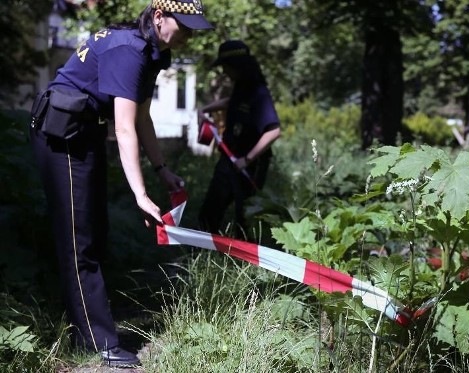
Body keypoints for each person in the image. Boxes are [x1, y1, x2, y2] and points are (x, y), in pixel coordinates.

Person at [29, 0, 213, 368]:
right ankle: (98, 343)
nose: (191, 33)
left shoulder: (154, 51)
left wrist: (160, 169)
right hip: (61, 135)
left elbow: (142, 116)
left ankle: (88, 329)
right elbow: (124, 126)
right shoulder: (128, 49)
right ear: (160, 17)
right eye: (185, 24)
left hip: (85, 132)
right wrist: (141, 195)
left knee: (95, 230)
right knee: (79, 241)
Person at [198, 40, 281, 236]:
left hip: (249, 167)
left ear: (237, 65)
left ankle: (244, 262)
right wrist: (206, 109)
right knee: (208, 214)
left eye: (226, 66)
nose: (224, 72)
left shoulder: (259, 93)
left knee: (244, 221)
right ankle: (202, 256)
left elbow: (274, 131)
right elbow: (232, 102)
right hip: (228, 159)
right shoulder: (240, 87)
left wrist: (247, 159)